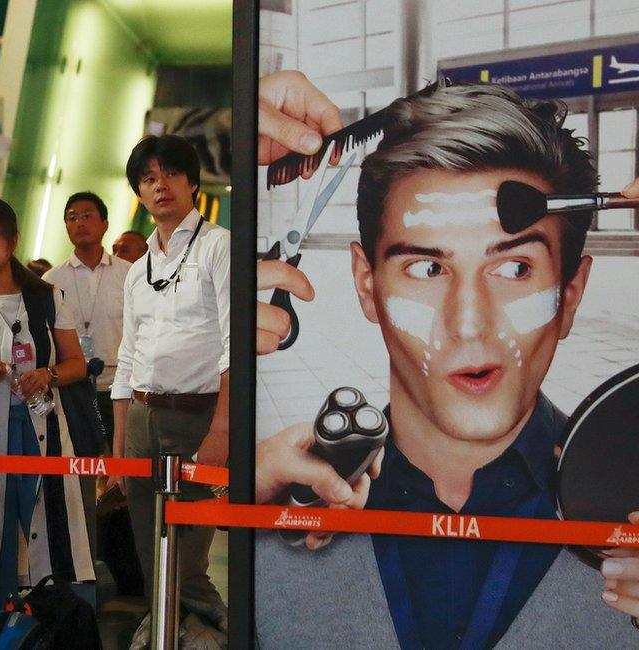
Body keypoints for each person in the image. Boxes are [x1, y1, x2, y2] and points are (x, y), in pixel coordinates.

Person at [254, 78, 639, 646]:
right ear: (367, 285)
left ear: (571, 295)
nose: (468, 322)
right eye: (428, 269)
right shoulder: (268, 499)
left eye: (514, 270)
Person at [0, 197, 95, 595]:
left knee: (55, 530)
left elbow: (77, 363)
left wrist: (48, 373)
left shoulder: (47, 297)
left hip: (44, 430)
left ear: (12, 241)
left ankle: (59, 619)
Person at [109, 134, 230, 648]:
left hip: (196, 416)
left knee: (185, 550)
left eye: (170, 175)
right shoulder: (137, 270)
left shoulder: (218, 246)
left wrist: (223, 428)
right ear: (139, 192)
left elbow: (234, 346)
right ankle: (167, 627)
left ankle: (214, 627)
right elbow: (126, 358)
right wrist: (119, 443)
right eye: (148, 178)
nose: (160, 186)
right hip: (141, 417)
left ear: (192, 183)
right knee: (147, 547)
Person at [42, 191, 131, 450]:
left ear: (104, 224)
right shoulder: (51, 280)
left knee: (123, 462)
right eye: (72, 218)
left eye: (87, 216)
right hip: (73, 387)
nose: (79, 223)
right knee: (82, 463)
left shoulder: (128, 273)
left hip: (121, 387)